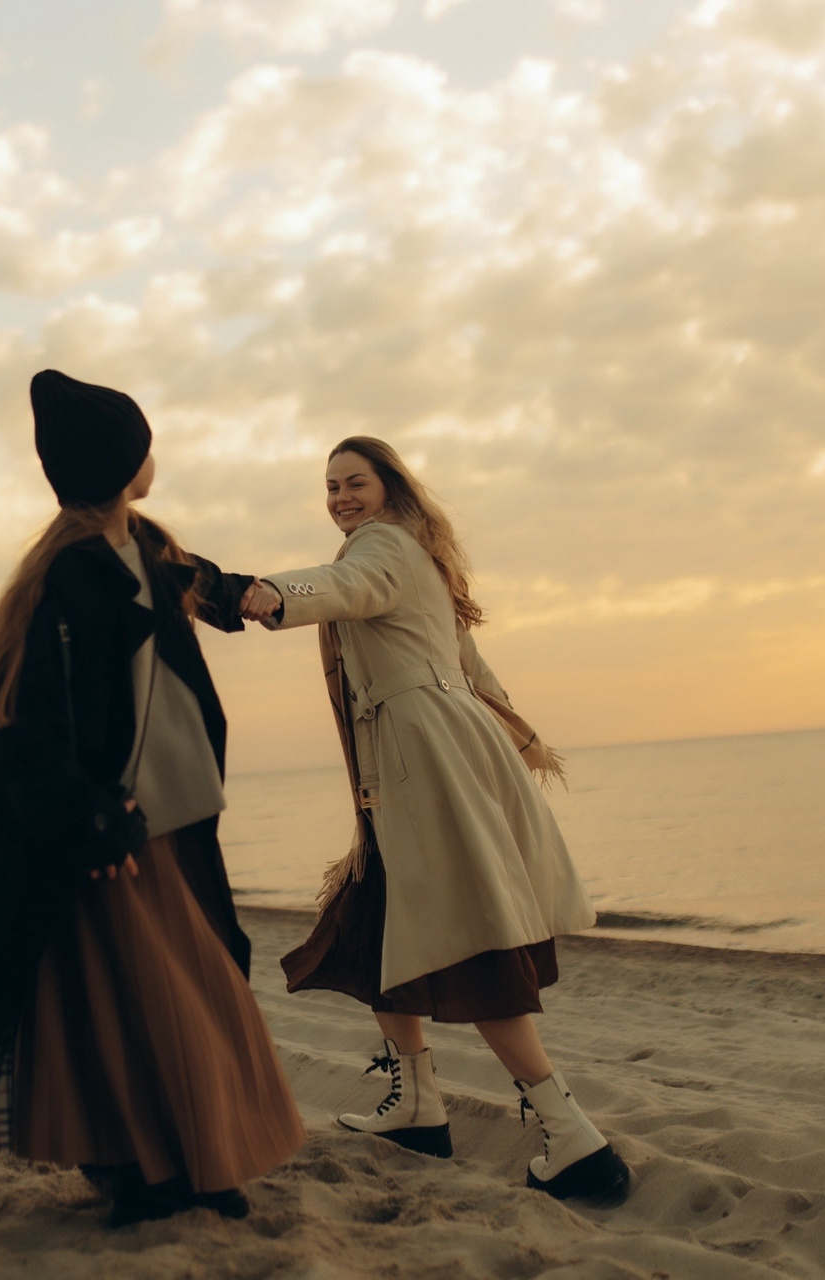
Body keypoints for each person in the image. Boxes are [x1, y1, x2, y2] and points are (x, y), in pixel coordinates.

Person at [0, 370, 304, 1228]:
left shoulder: (144, 549)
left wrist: (252, 596)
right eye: (143, 444)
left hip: (173, 822)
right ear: (120, 463)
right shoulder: (68, 576)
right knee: (156, 1007)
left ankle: (176, 1170)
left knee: (175, 995)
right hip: (108, 831)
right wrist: (91, 816)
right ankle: (162, 1173)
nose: (153, 456)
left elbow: (204, 584)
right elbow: (21, 724)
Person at [242, 436, 630, 1204]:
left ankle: (571, 1134)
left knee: (472, 941)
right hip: (430, 754)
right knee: (373, 920)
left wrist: (269, 593)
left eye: (354, 483)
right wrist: (511, 741)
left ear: (390, 487)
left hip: (424, 760)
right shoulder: (415, 553)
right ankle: (417, 1103)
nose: (340, 498)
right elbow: (473, 668)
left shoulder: (383, 547)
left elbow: (342, 587)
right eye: (330, 487)